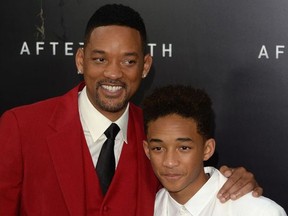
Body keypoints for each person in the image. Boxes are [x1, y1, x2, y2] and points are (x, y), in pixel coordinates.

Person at [0, 4, 261, 216]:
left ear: (145, 66)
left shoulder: (158, 136)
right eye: (100, 59)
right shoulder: (21, 128)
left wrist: (232, 186)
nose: (113, 73)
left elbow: (193, 188)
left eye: (128, 61)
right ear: (81, 60)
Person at [142, 84, 286, 216]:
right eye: (158, 148)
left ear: (207, 149)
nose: (169, 162)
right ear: (147, 150)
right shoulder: (145, 209)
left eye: (184, 148)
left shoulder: (258, 212)